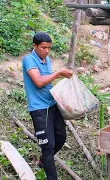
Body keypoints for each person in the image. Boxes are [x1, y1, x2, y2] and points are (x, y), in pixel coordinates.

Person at [22, 32, 73, 180]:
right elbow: (38, 81)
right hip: (39, 109)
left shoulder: (47, 60)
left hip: (52, 105)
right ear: (34, 46)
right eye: (44, 47)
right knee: (48, 146)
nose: (47, 51)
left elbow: (47, 81)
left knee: (61, 137)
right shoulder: (29, 60)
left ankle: (44, 160)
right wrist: (58, 73)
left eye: (49, 48)